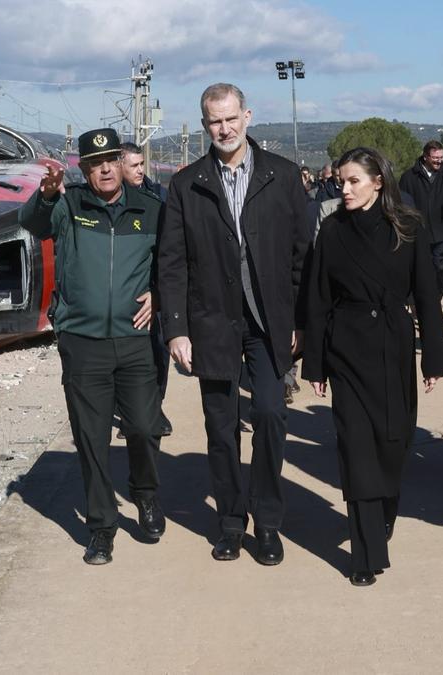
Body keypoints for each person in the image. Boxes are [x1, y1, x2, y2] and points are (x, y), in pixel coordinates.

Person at [157, 82, 309, 565]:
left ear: (247, 116)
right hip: (212, 323)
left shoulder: (282, 177)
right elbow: (172, 262)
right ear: (205, 125)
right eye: (213, 121)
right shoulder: (187, 184)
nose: (223, 128)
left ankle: (267, 523)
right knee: (221, 427)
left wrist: (300, 320)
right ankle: (229, 522)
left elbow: (302, 254)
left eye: (230, 118)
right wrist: (177, 328)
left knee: (269, 413)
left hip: (269, 323)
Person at [18, 127, 167, 565]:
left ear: (122, 162)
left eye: (111, 160)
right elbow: (34, 225)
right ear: (83, 169)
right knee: (92, 437)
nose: (104, 168)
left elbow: (174, 264)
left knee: (143, 426)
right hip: (83, 343)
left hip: (135, 339)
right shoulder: (69, 206)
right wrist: (45, 196)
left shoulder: (151, 209)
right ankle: (101, 527)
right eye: (94, 163)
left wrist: (158, 293)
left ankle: (145, 495)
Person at [302, 147, 443, 586]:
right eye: (341, 181)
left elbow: (426, 295)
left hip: (394, 345)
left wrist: (434, 359)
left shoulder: (407, 227)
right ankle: (366, 553)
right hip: (346, 348)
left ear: (377, 182)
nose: (343, 189)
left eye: (353, 182)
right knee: (356, 449)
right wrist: (316, 365)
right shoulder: (330, 230)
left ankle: (384, 506)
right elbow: (317, 299)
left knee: (394, 443)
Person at [118, 141, 173, 437]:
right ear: (120, 167)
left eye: (142, 165)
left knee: (157, 354)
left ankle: (154, 408)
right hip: (123, 293)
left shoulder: (158, 197)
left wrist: (160, 292)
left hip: (153, 292)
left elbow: (168, 250)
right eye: (135, 166)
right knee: (127, 360)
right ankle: (131, 416)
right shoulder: (112, 201)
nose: (141, 170)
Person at [399, 140, 443, 241]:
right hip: (418, 234)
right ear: (425, 157)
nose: (439, 161)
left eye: (441, 158)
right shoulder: (408, 177)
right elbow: (402, 205)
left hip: (442, 235)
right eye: (435, 158)